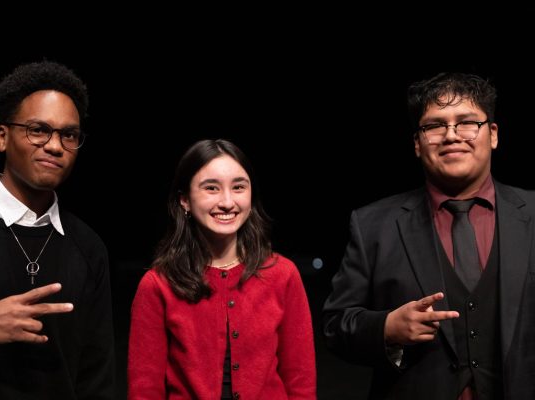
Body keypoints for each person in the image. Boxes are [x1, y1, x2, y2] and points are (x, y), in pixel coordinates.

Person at [322, 71, 535, 400]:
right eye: (435, 125)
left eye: (466, 122)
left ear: (492, 134)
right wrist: (387, 329)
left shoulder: (533, 215)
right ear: (418, 144)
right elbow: (336, 325)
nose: (451, 135)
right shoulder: (373, 225)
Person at [0, 61, 115, 399]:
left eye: (69, 135)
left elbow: (97, 378)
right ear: (2, 137)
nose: (55, 146)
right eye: (38, 130)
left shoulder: (89, 248)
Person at [128, 139, 316, 399]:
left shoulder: (283, 274)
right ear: (184, 200)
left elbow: (301, 383)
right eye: (211, 188)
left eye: (239, 187)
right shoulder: (158, 284)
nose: (228, 202)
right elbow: (144, 390)